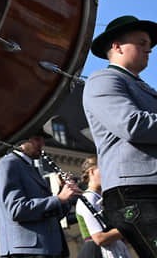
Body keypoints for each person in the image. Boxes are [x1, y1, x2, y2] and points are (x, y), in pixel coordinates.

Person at [83, 15, 157, 258]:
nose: (149, 49)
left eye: (150, 45)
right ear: (116, 46)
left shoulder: (144, 88)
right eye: (142, 42)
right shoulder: (103, 79)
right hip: (135, 190)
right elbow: (131, 124)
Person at [0, 128, 80, 257]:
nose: (42, 144)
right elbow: (16, 210)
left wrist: (65, 194)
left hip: (47, 249)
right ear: (22, 140)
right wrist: (59, 199)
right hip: (27, 251)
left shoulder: (29, 167)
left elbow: (50, 215)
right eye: (37, 139)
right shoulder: (9, 164)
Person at [75, 156, 131, 258]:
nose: (109, 173)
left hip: (113, 249)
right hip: (97, 252)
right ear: (91, 171)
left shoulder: (101, 197)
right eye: (105, 168)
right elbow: (100, 238)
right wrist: (130, 227)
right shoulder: (88, 198)